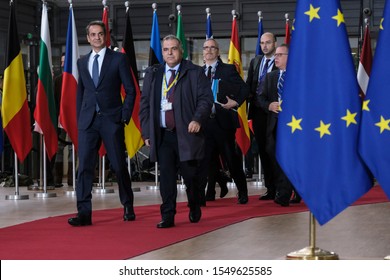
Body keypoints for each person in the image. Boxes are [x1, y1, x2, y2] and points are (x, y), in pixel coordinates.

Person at [139, 35, 213, 228]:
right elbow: (145, 105)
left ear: (181, 51)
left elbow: (206, 100)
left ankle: (195, 204)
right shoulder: (153, 73)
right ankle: (168, 215)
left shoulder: (195, 72)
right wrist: (147, 133)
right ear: (162, 52)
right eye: (166, 49)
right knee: (167, 177)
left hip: (187, 134)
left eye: (173, 49)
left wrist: (197, 119)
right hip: (163, 135)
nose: (169, 53)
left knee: (191, 177)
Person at [68, 20, 136, 226]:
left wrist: (124, 116)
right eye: (93, 34)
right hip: (88, 122)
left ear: (105, 36)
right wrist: (81, 118)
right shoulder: (82, 61)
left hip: (111, 120)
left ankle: (128, 205)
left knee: (118, 165)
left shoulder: (118, 59)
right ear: (87, 38)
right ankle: (84, 213)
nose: (97, 37)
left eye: (100, 34)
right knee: (84, 168)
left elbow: (131, 90)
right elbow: (82, 92)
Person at [200, 38, 250, 204]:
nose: (208, 50)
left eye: (212, 48)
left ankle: (242, 191)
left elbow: (245, 88)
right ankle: (210, 191)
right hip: (204, 124)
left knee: (231, 159)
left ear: (217, 51)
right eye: (206, 48)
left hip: (223, 122)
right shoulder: (197, 72)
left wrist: (235, 103)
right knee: (208, 159)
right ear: (203, 51)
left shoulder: (228, 69)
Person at [257, 44, 294, 207]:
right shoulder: (271, 77)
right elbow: (261, 98)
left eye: (280, 54)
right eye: (276, 55)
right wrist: (269, 106)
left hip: (294, 125)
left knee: (290, 157)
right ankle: (285, 188)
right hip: (274, 124)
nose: (276, 58)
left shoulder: (298, 76)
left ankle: (284, 193)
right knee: (275, 157)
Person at [246, 32, 278, 200]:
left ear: (275, 43)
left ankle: (281, 187)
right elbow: (249, 86)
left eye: (268, 43)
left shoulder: (280, 62)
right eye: (262, 43)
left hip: (274, 113)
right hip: (257, 113)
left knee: (274, 150)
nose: (264, 46)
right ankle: (270, 188)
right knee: (263, 151)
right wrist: (237, 101)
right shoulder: (255, 61)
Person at [53, 53, 74, 187]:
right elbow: (54, 101)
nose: (62, 65)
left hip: (74, 120)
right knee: (59, 149)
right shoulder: (57, 80)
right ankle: (57, 179)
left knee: (74, 150)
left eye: (64, 61)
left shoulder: (77, 79)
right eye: (61, 62)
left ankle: (73, 179)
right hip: (60, 120)